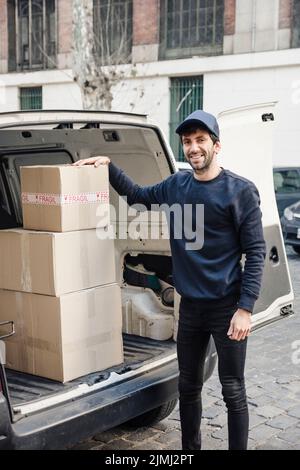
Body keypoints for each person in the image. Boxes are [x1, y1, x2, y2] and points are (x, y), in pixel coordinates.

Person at [74, 110, 266, 450]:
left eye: (200, 140)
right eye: (188, 142)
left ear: (216, 145)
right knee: (188, 388)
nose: (193, 148)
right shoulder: (177, 185)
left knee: (233, 389)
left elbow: (256, 252)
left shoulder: (240, 192)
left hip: (227, 309)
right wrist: (107, 166)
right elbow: (136, 196)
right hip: (189, 308)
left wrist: (245, 309)